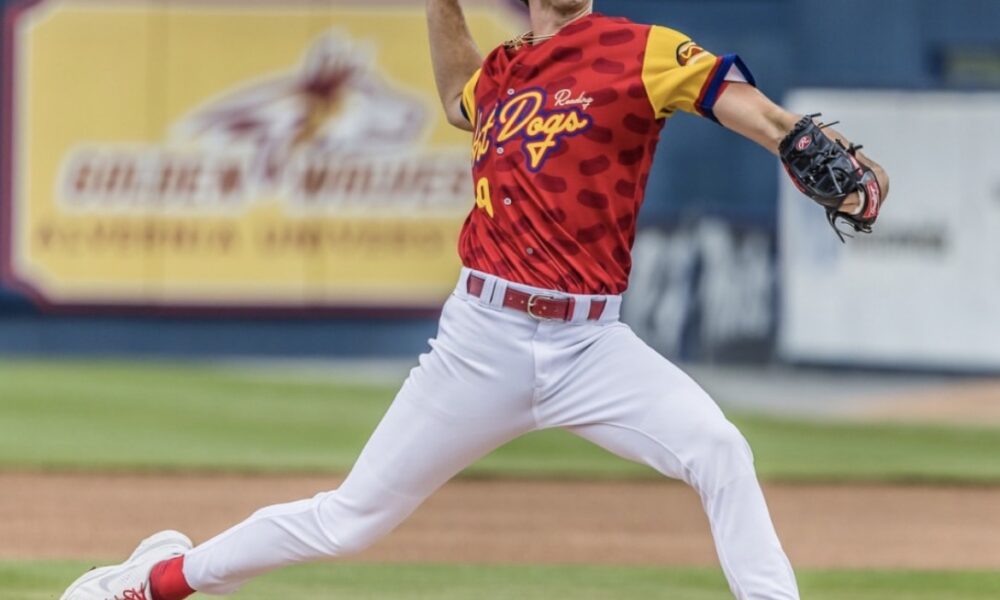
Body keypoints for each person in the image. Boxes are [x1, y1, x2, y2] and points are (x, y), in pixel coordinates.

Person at [61, 1, 889, 599]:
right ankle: (153, 581)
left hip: (592, 349)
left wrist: (789, 133)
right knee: (351, 520)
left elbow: (731, 100)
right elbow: (459, 93)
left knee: (719, 450)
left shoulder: (637, 50)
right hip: (480, 341)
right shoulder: (505, 71)